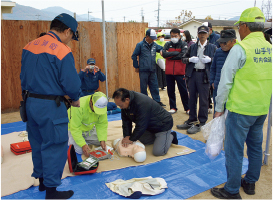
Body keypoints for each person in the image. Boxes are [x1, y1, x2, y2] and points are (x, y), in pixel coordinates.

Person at [211, 7, 272, 199]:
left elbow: (225, 81)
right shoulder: (270, 48)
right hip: (261, 109)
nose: (239, 30)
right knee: (255, 147)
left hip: (240, 110)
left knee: (234, 150)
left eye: (239, 26)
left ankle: (231, 190)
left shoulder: (241, 48)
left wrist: (219, 108)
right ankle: (250, 183)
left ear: (245, 26)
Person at [20, 13, 81, 199]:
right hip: (51, 106)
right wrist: (75, 98)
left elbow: (23, 76)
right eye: (72, 36)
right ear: (67, 31)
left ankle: (42, 182)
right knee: (55, 145)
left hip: (30, 103)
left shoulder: (29, 45)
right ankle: (52, 192)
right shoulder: (62, 50)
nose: (71, 40)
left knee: (37, 143)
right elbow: (70, 83)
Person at [113, 88, 178, 156]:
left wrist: (131, 139)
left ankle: (171, 136)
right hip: (149, 126)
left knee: (158, 152)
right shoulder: (125, 105)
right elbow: (126, 121)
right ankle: (157, 138)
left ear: (127, 99)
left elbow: (141, 125)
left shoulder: (141, 102)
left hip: (162, 125)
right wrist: (127, 136)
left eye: (120, 105)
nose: (120, 107)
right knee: (138, 141)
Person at [177, 25, 216, 134]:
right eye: (200, 33)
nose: (202, 35)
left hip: (204, 75)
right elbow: (183, 59)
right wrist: (189, 59)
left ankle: (202, 121)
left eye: (204, 33)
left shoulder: (212, 47)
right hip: (192, 74)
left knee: (204, 99)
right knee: (192, 98)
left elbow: (217, 61)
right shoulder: (193, 47)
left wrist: (211, 60)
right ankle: (192, 118)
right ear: (198, 35)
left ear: (208, 34)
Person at [131, 29, 166, 107]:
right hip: (143, 70)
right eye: (152, 38)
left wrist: (161, 50)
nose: (153, 39)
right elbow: (134, 56)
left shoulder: (154, 45)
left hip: (152, 69)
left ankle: (157, 102)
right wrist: (136, 66)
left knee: (154, 86)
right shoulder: (140, 45)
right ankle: (145, 102)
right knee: (143, 87)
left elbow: (161, 48)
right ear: (147, 36)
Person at [68, 92, 108, 157]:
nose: (96, 112)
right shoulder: (78, 105)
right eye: (96, 109)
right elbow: (75, 128)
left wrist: (102, 139)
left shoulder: (102, 106)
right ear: (91, 102)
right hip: (74, 130)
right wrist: (82, 144)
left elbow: (102, 124)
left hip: (89, 130)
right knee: (80, 150)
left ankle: (85, 141)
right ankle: (70, 139)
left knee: (101, 141)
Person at [162, 28, 190, 114]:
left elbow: (183, 55)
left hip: (180, 71)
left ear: (179, 36)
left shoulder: (184, 44)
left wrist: (169, 55)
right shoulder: (167, 44)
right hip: (169, 71)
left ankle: (187, 108)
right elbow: (163, 54)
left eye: (175, 36)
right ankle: (173, 107)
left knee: (183, 90)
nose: (173, 37)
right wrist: (176, 53)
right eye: (172, 36)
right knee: (170, 90)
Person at [210, 29, 237, 114]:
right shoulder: (218, 52)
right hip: (218, 87)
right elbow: (213, 68)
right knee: (217, 113)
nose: (222, 45)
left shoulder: (238, 53)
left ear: (234, 41)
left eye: (225, 43)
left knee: (229, 114)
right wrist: (212, 82)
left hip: (232, 89)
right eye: (221, 42)